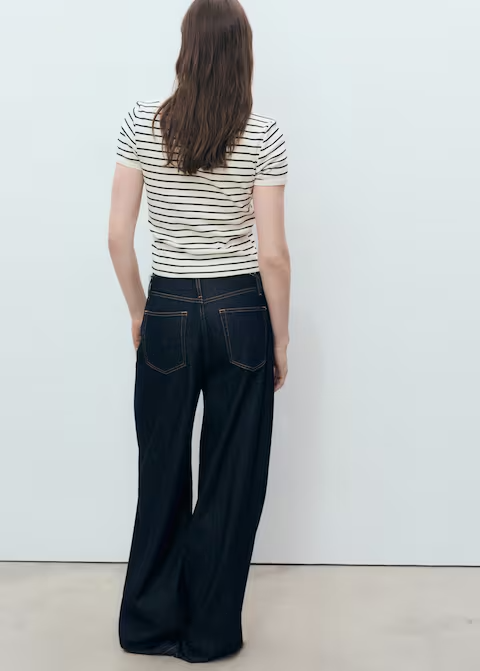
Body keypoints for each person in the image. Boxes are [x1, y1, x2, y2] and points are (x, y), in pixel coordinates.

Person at [108, 0, 290, 663]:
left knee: (160, 469)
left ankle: (148, 625)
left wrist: (139, 310)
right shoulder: (263, 133)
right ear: (242, 52)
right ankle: (209, 633)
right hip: (241, 311)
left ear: (187, 48)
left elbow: (117, 237)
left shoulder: (142, 122)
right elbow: (273, 256)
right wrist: (279, 338)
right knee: (231, 478)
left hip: (169, 308)